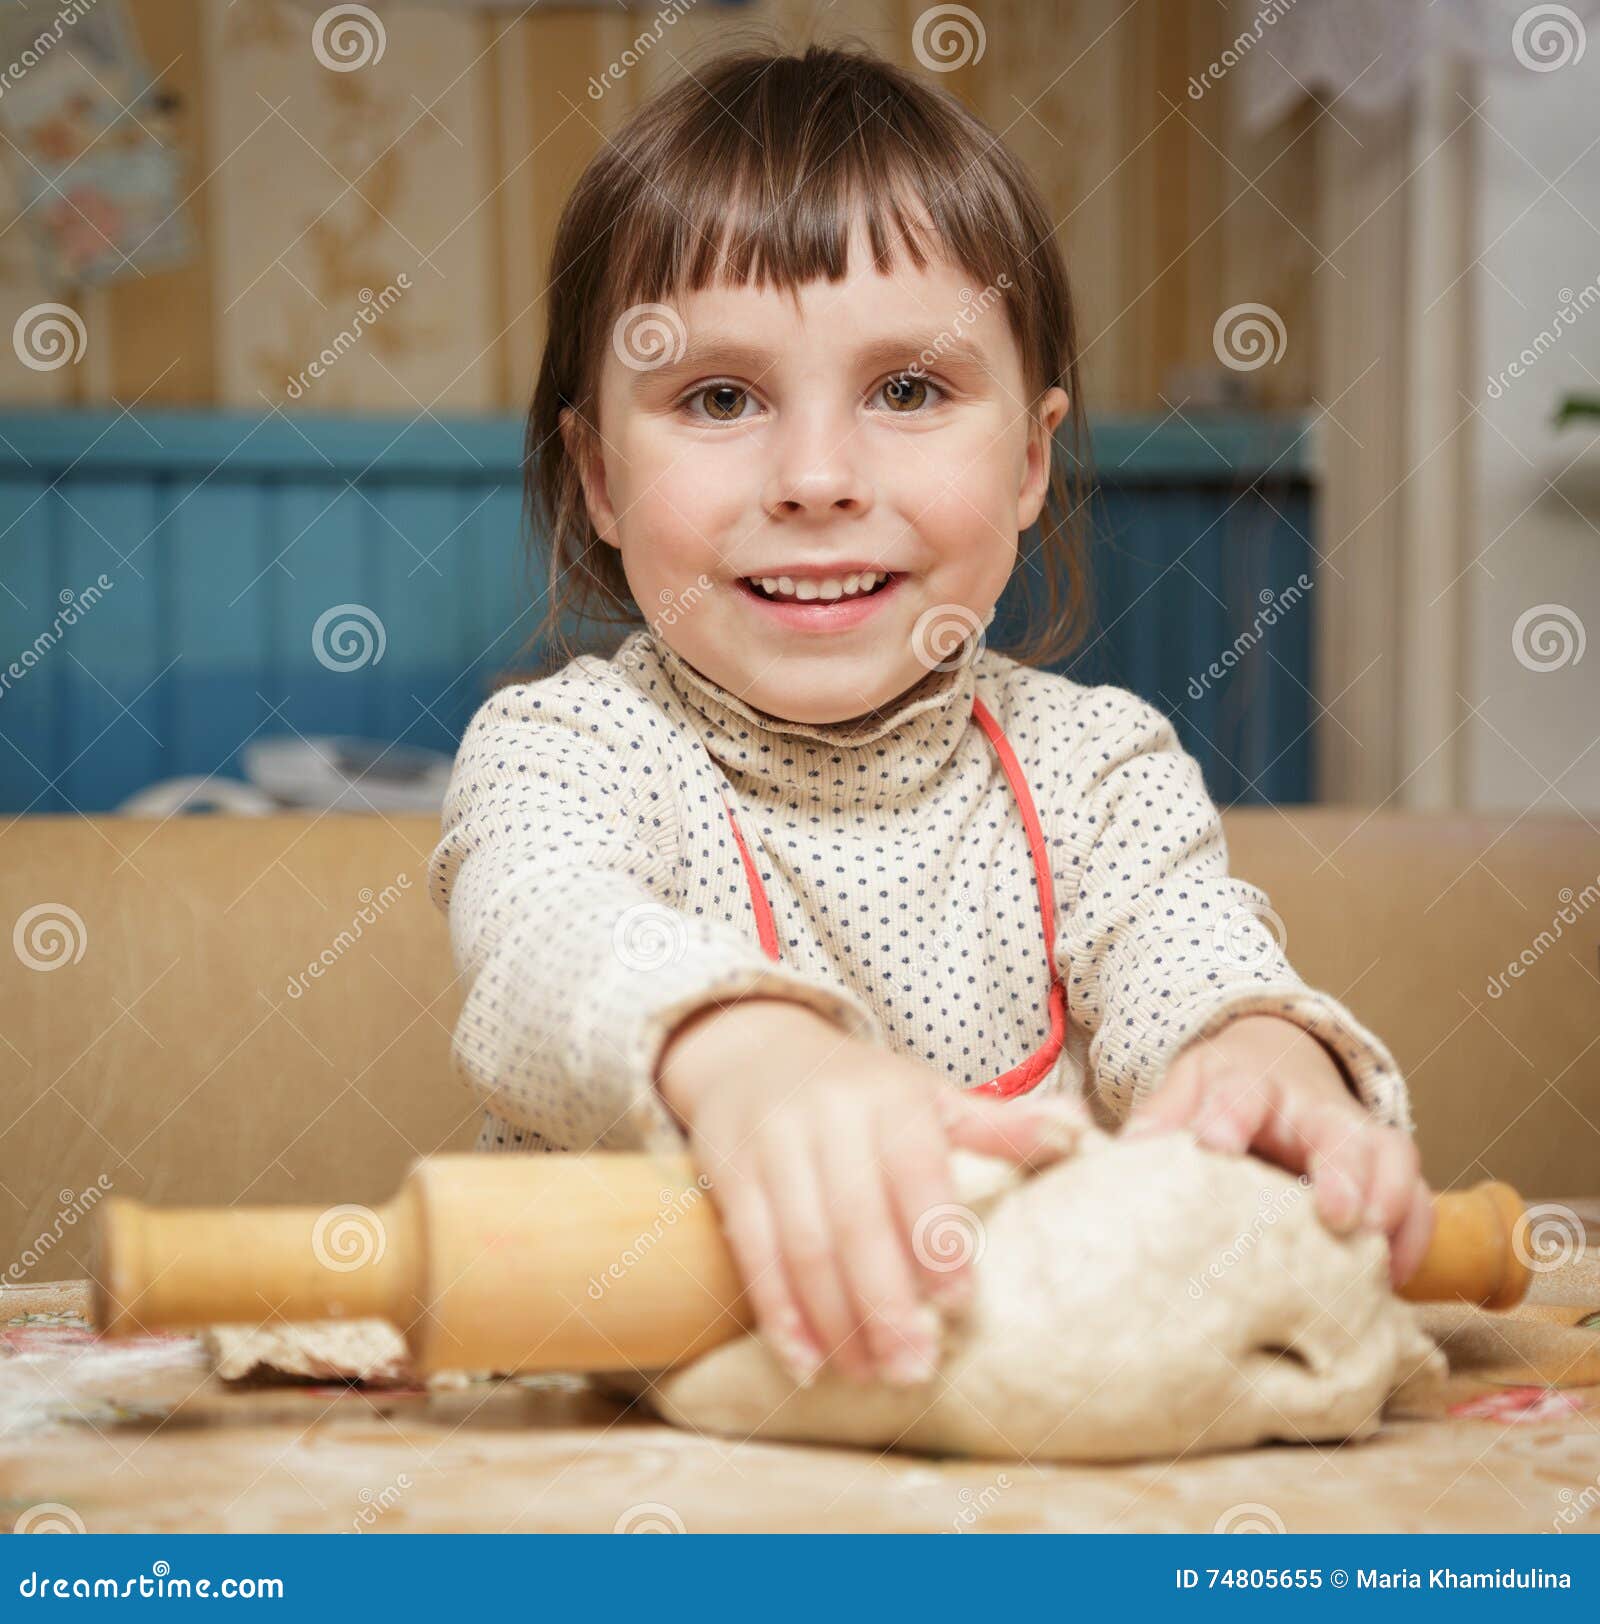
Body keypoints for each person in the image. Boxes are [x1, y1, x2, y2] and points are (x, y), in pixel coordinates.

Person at [428, 40, 1432, 1395]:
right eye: (719, 397)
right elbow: (545, 943)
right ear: (600, 478)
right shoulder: (564, 752)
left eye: (908, 391)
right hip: (634, 1458)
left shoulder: (1099, 768)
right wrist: (744, 1063)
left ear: (1029, 458)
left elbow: (1195, 970)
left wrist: (1264, 1064)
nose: (820, 476)